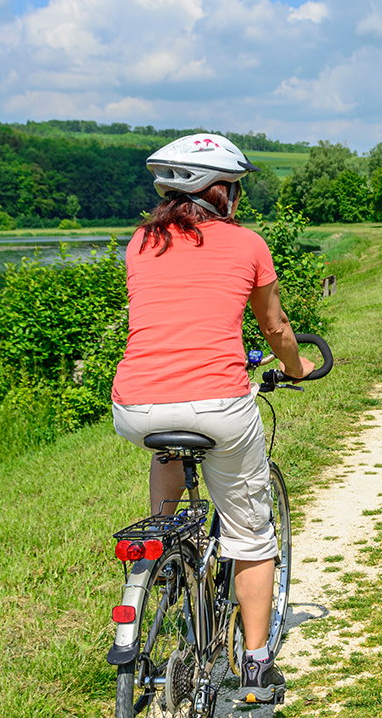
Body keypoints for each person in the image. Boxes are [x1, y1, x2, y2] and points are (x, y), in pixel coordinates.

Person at [110, 133, 316, 704]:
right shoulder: (246, 244)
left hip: (135, 404)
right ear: (219, 192)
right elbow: (274, 329)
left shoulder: (140, 243)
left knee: (166, 448)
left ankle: (165, 547)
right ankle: (254, 666)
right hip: (217, 405)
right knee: (251, 534)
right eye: (236, 189)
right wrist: (295, 369)